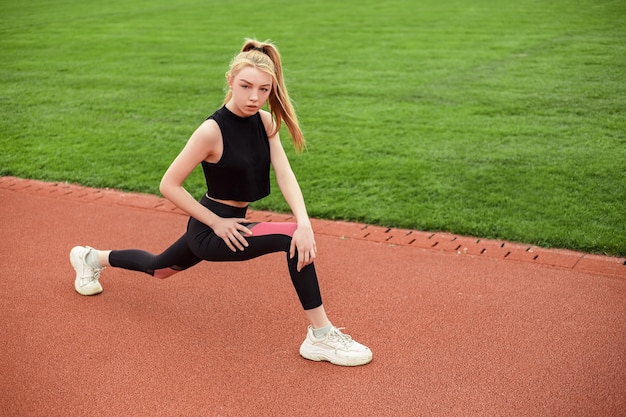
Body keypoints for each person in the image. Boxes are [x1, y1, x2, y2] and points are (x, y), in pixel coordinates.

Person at [69, 39, 372, 367]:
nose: (254, 97)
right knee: (289, 239)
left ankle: (90, 257)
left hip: (231, 223)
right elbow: (169, 185)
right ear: (230, 80)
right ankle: (321, 336)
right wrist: (216, 222)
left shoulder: (265, 122)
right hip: (212, 230)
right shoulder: (211, 131)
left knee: (159, 268)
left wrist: (305, 221)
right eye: (245, 86)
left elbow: (285, 175)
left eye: (263, 89)